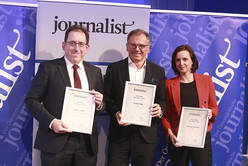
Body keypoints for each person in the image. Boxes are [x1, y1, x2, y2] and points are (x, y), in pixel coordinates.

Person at [25, 25, 104, 166]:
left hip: (86, 144)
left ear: (87, 48)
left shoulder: (95, 72)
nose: (76, 48)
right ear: (63, 45)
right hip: (55, 142)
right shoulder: (48, 68)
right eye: (72, 43)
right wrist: (52, 122)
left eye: (81, 44)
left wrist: (100, 104)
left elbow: (102, 107)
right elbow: (31, 100)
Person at [104, 29, 166, 166]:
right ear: (127, 46)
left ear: (148, 48)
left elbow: (163, 100)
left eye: (142, 46)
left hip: (146, 136)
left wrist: (160, 108)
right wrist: (116, 113)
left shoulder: (158, 72)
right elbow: (107, 100)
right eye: (133, 45)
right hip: (120, 135)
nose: (137, 49)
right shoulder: (114, 69)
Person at [161, 44, 219, 166]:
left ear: (192, 61)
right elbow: (165, 115)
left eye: (185, 59)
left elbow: (214, 108)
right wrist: (170, 134)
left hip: (201, 137)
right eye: (177, 60)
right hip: (177, 139)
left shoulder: (206, 80)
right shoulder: (168, 84)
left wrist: (210, 113)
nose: (181, 63)